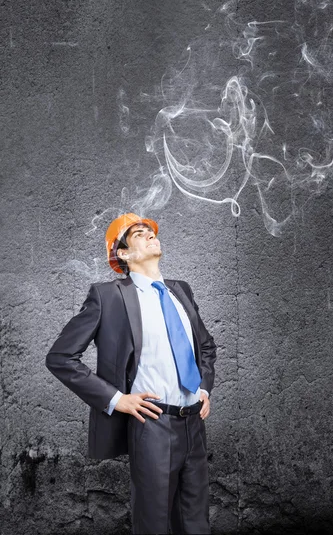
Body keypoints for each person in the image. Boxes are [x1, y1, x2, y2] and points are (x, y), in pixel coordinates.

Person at [46, 212, 217, 534]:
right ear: (122, 253)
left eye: (150, 231)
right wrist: (116, 399)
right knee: (153, 522)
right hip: (152, 424)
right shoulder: (108, 296)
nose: (151, 235)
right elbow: (60, 357)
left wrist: (204, 388)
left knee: (196, 522)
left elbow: (206, 348)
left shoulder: (181, 291)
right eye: (139, 234)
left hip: (194, 421)